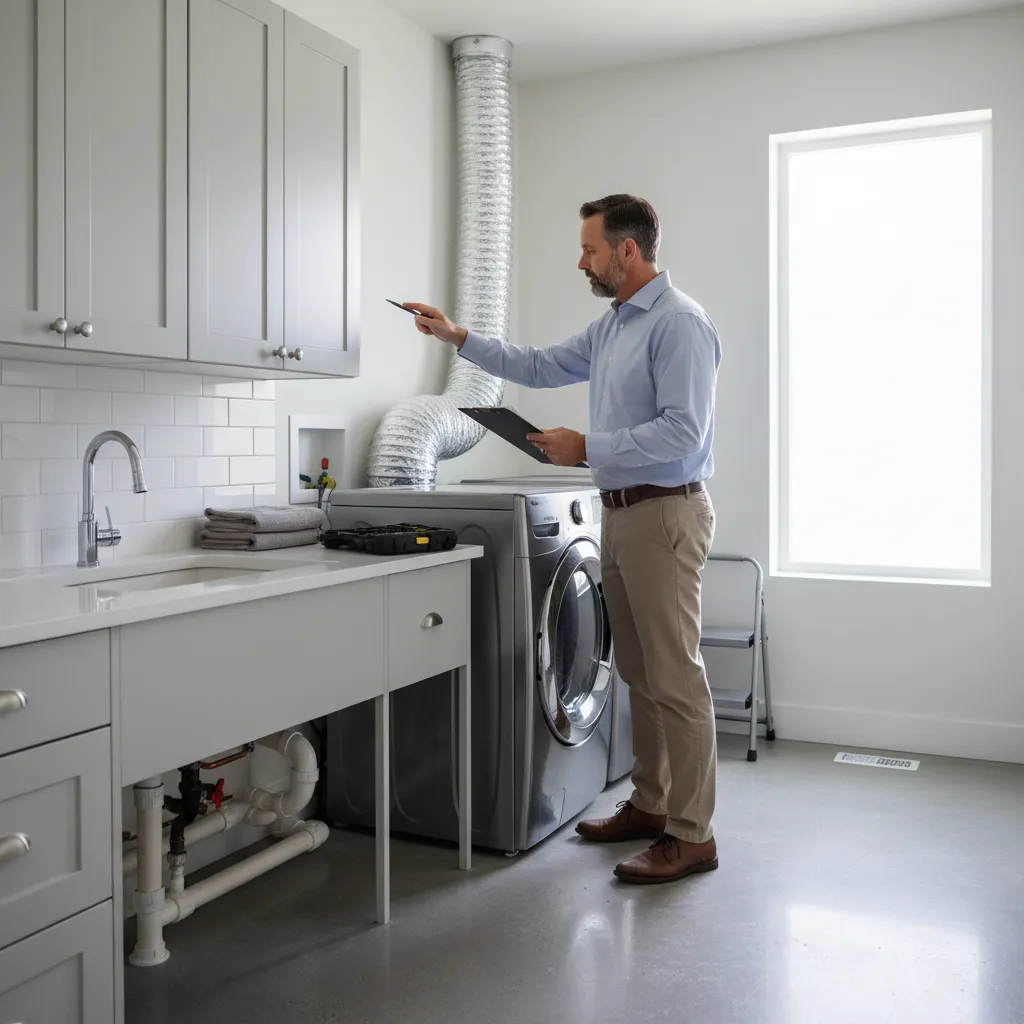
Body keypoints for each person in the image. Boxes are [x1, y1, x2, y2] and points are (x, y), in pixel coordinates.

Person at [406, 194, 721, 885]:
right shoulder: (614, 326)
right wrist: (460, 338)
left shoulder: (681, 325)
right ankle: (650, 804)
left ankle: (693, 835)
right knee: (640, 672)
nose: (583, 261)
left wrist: (586, 446)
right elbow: (542, 365)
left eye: (590, 249)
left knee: (677, 679)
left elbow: (683, 434)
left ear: (627, 251)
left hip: (666, 514)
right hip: (622, 513)